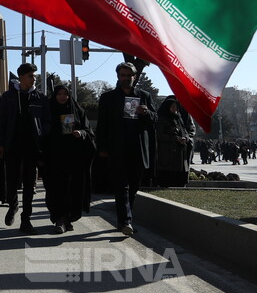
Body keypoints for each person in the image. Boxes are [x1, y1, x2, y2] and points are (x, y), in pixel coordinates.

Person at [96, 62, 157, 236]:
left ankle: (125, 218)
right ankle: (126, 222)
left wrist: (146, 112)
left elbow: (155, 119)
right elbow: (102, 125)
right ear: (118, 76)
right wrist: (102, 147)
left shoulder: (144, 96)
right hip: (117, 149)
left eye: (128, 75)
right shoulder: (108, 97)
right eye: (122, 75)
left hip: (138, 148)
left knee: (134, 188)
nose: (125, 78)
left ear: (134, 77)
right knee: (121, 186)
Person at [0, 63, 50, 234]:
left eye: (34, 75)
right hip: (12, 144)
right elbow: (0, 121)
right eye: (30, 75)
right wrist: (0, 143)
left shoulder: (40, 97)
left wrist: (42, 135)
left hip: (32, 146)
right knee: (11, 179)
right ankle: (13, 205)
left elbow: (47, 121)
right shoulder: (8, 97)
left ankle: (26, 219)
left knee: (29, 184)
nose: (34, 78)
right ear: (21, 77)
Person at [43, 85, 95, 233]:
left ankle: (68, 218)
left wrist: (81, 133)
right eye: (59, 94)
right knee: (56, 189)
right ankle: (59, 218)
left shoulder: (77, 111)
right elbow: (42, 134)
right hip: (55, 159)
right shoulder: (48, 112)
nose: (62, 97)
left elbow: (89, 132)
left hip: (74, 159)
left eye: (65, 94)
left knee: (74, 190)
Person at [155, 96, 191, 187]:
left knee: (180, 177)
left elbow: (185, 131)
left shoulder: (179, 118)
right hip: (167, 154)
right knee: (168, 178)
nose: (175, 109)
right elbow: (160, 135)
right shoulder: (162, 119)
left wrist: (185, 138)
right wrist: (176, 138)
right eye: (173, 107)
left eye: (176, 107)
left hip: (180, 153)